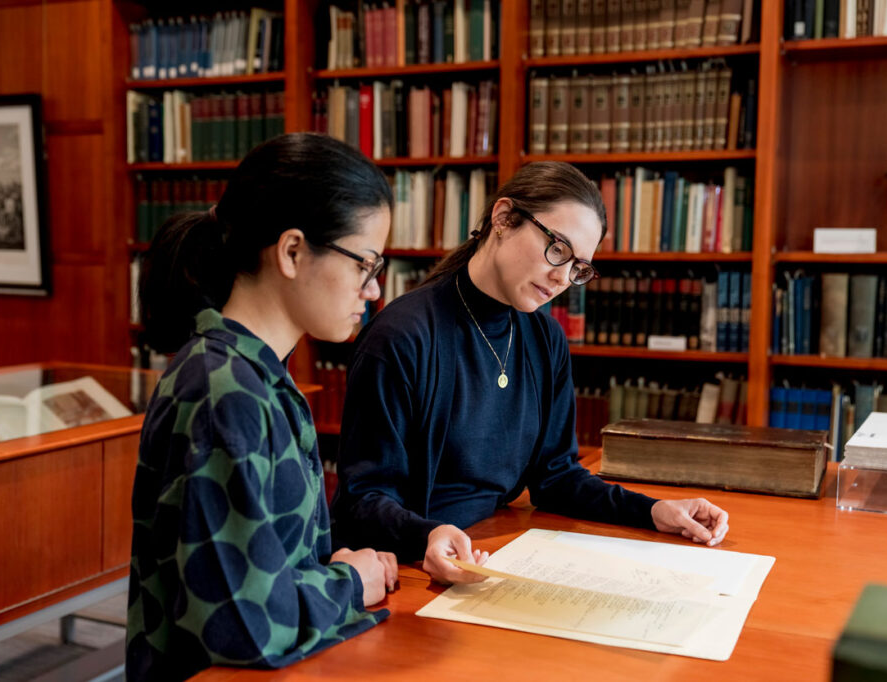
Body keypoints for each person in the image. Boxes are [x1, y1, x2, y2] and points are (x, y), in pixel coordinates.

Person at [330, 161, 730, 585]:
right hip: (408, 569)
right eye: (557, 249)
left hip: (490, 549)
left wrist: (652, 510)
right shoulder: (401, 337)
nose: (561, 277)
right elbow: (362, 499)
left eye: (578, 267)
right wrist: (427, 534)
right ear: (504, 219)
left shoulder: (544, 338)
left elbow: (555, 476)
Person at [127, 133, 398, 680]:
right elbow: (244, 625)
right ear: (292, 251)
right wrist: (349, 584)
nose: (373, 292)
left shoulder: (256, 374)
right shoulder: (223, 391)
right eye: (365, 266)